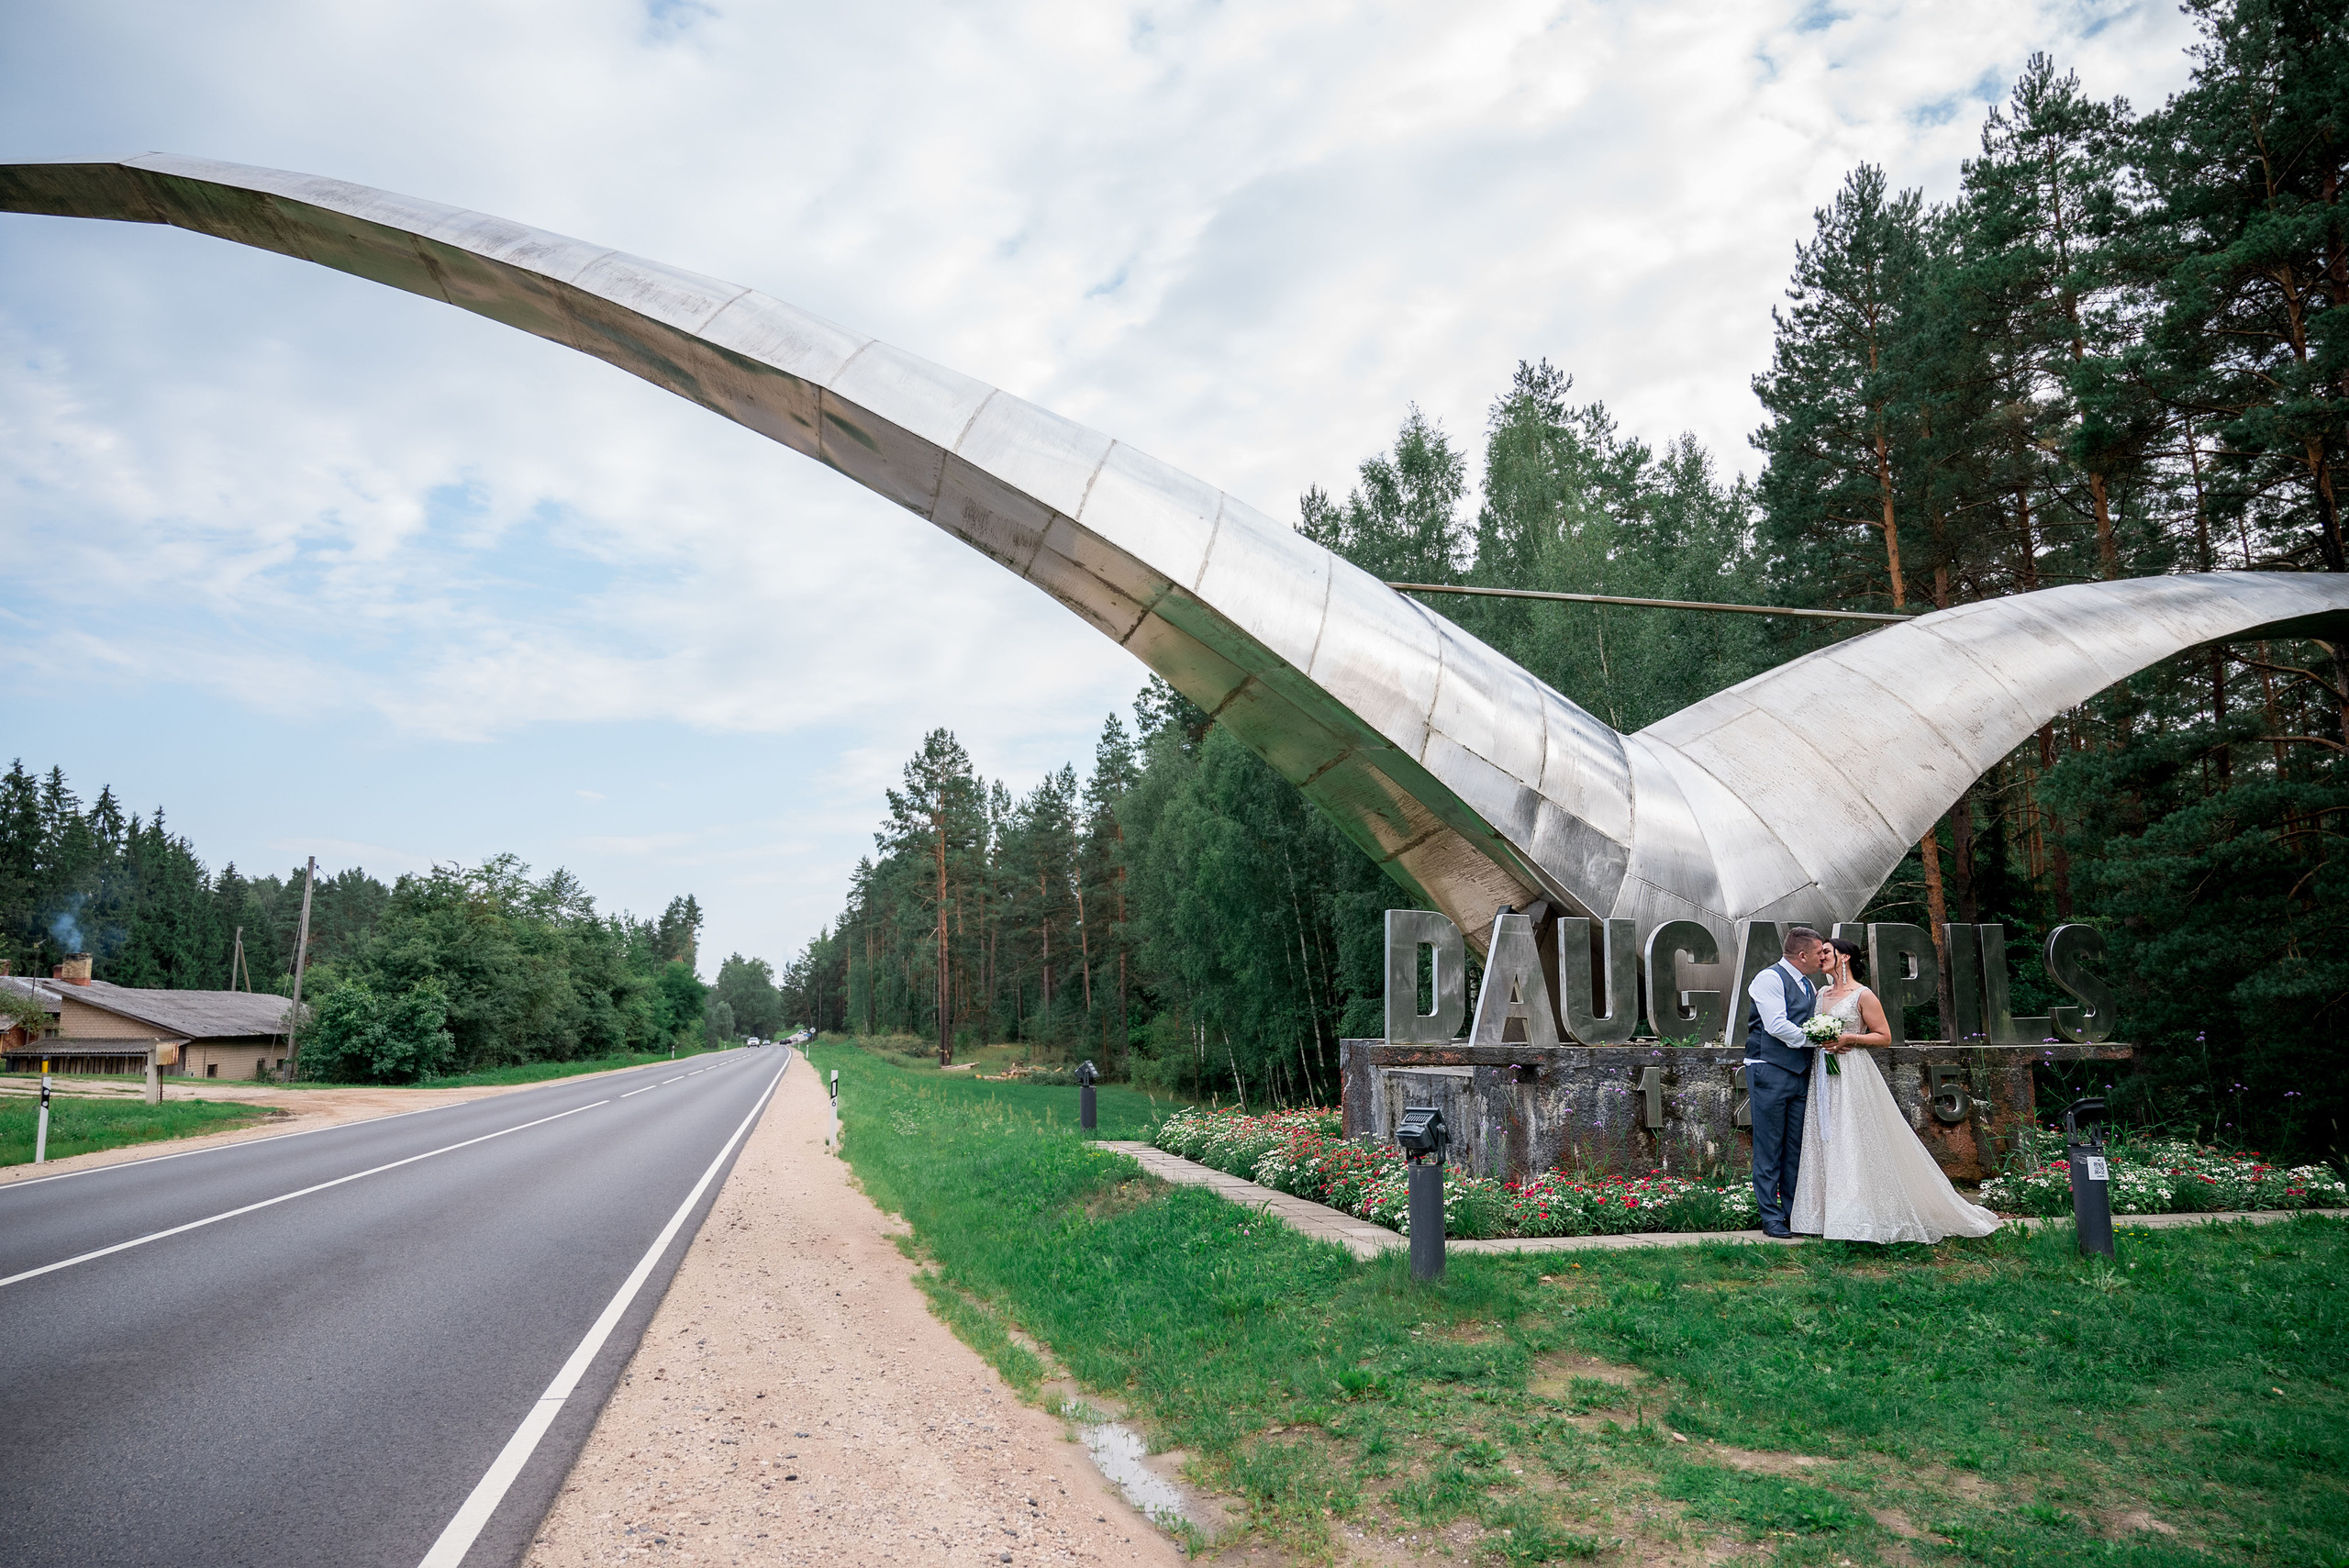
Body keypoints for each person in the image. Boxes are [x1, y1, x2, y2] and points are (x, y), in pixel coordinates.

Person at [1788, 937, 2000, 1243]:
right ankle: (1822, 1216)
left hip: (1853, 1072)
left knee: (1853, 1135)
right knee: (1826, 1134)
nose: (1820, 957)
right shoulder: (1821, 993)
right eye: (1819, 953)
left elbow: (1884, 1037)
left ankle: (1856, 1217)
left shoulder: (1863, 995)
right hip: (1823, 1072)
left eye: (1826, 952)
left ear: (1844, 957)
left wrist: (1850, 1039)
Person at [1743, 926, 1831, 1240]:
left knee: (1796, 1148)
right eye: (1819, 952)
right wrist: (1818, 1040)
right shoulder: (1769, 978)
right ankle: (1771, 1217)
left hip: (1799, 1072)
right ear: (1803, 955)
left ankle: (1796, 1215)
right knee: (1769, 1146)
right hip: (1769, 1069)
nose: (1823, 957)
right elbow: (1777, 1025)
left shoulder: (1808, 984)